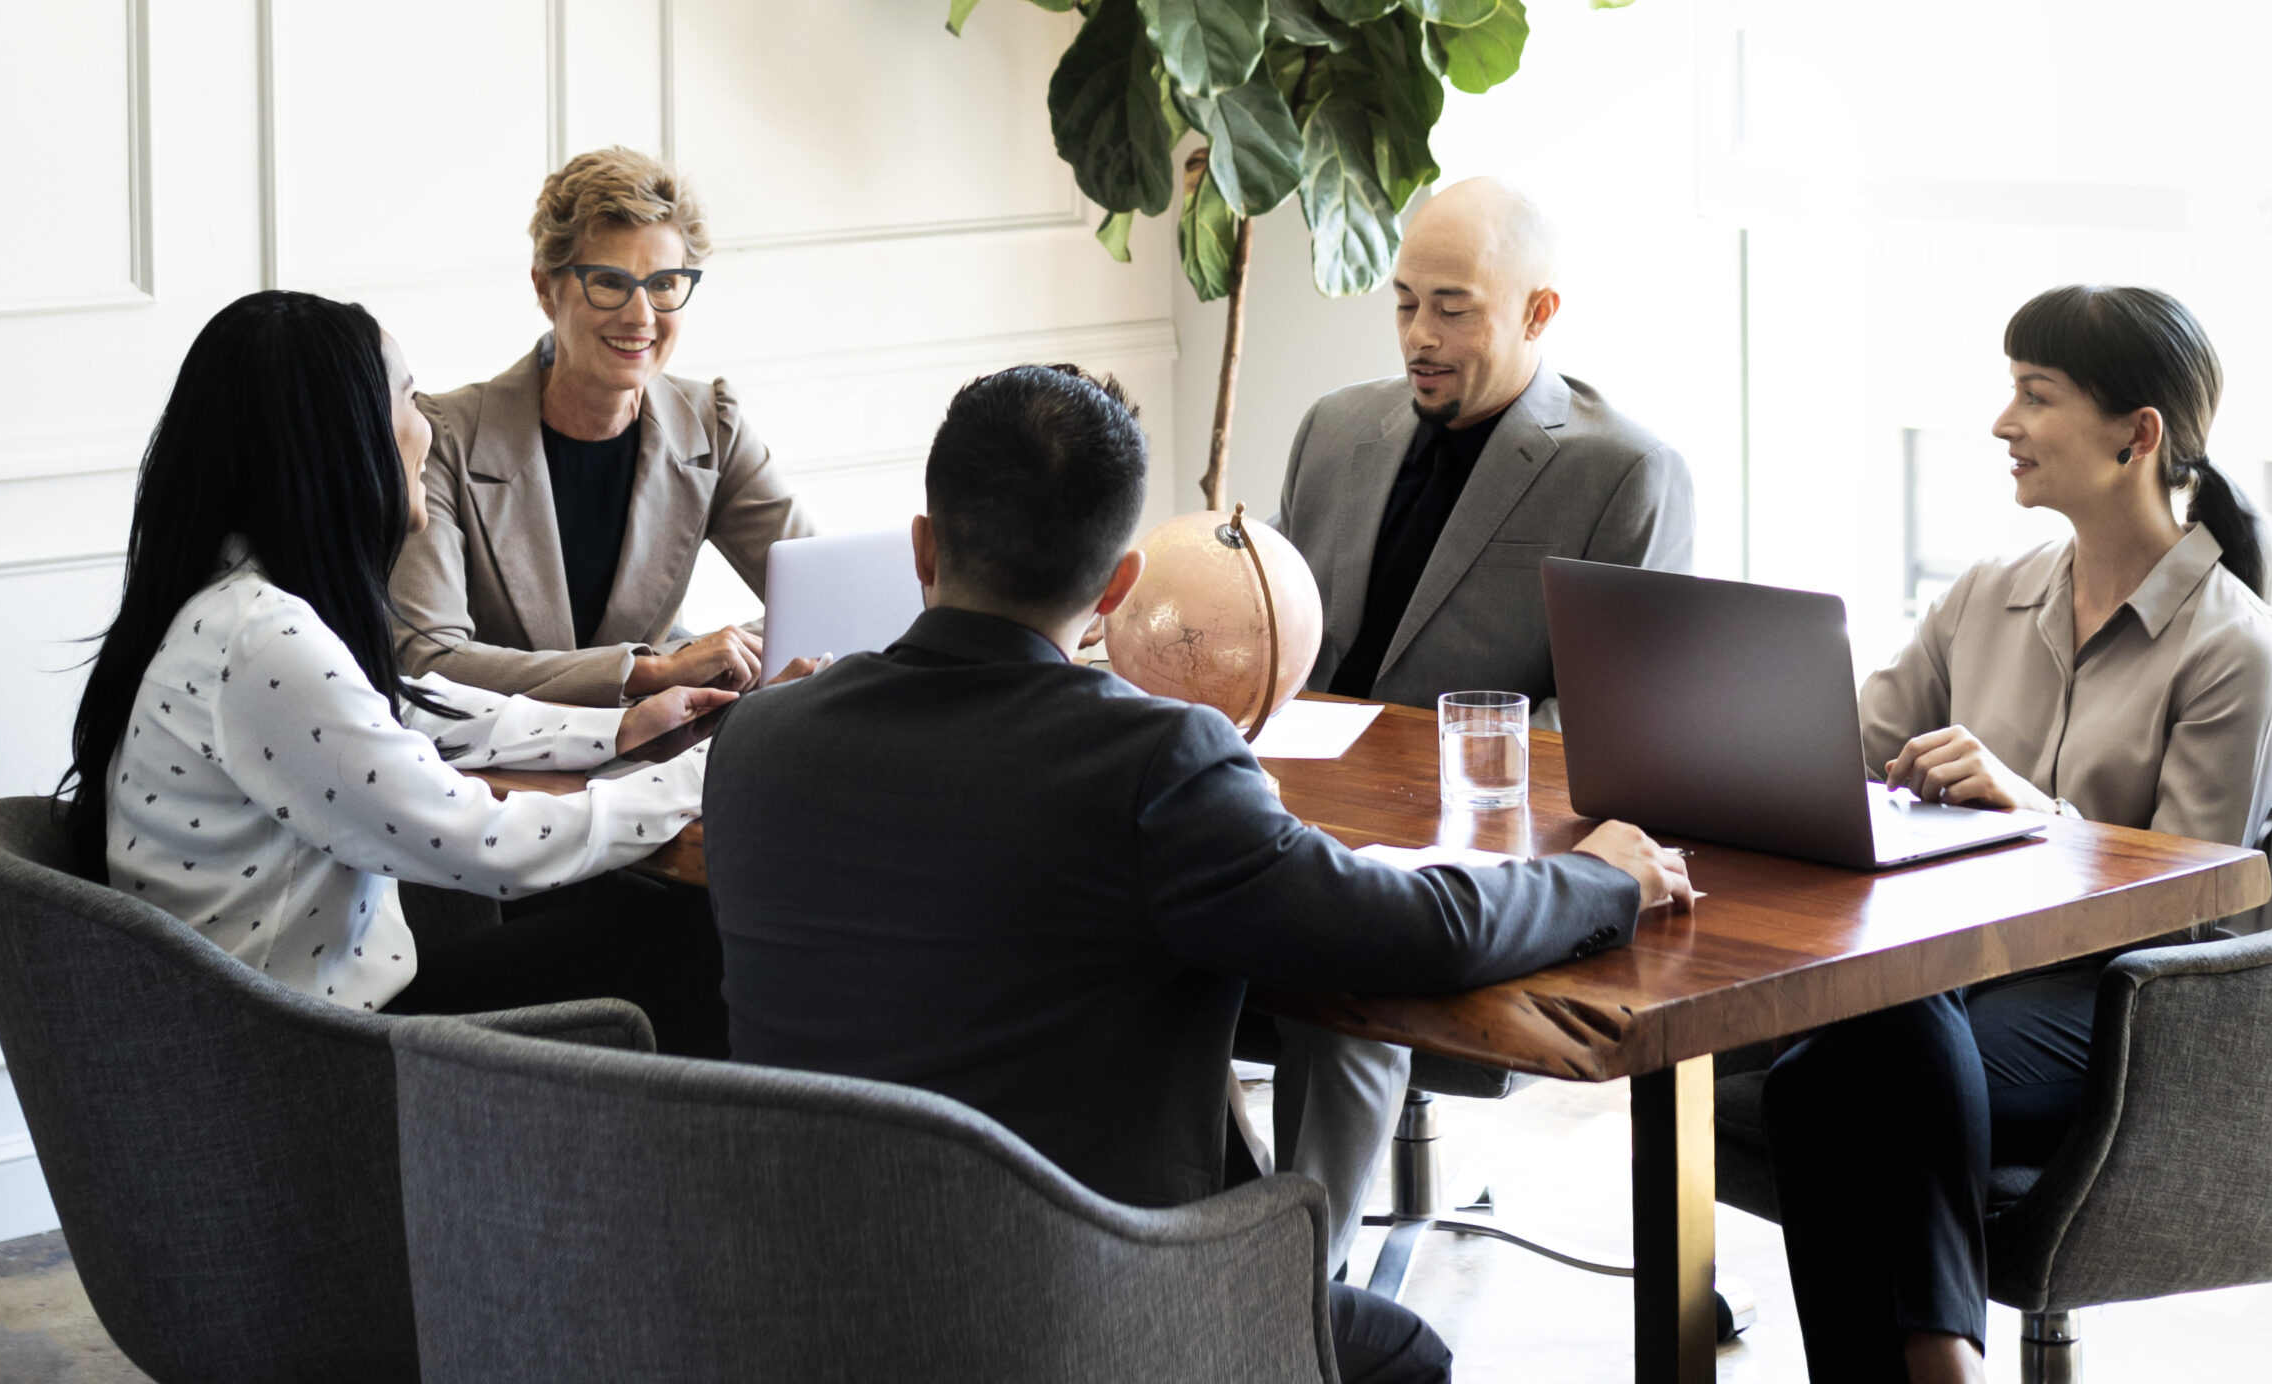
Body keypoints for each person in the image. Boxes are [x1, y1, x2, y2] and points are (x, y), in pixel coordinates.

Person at [703, 364, 1696, 1384]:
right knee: (1397, 1351)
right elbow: (1413, 930)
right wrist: (1601, 876)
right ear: (1120, 585)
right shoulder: (1150, 760)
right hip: (1077, 1312)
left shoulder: (758, 737)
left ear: (924, 545)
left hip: (801, 1302)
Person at [1763, 284, 2272, 1384]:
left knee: (1837, 1062)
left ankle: (1939, 1355)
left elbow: (2197, 894)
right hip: (1958, 982)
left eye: (2033, 395)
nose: (2002, 422)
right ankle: (1940, 1355)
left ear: (2134, 437)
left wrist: (2037, 815)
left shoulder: (2233, 650)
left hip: (2124, 998)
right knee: (1839, 1048)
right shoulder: (1984, 596)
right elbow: (1845, 752)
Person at [61, 292, 742, 1054]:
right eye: (410, 396)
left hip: (275, 1023)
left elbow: (412, 711)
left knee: (642, 918)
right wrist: (704, 774)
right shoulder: (261, 641)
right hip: (311, 1056)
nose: (429, 425)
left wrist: (622, 729)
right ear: (342, 439)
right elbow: (487, 843)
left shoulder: (234, 601)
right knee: (694, 931)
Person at [1269, 175, 1698, 1265]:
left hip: (1466, 845)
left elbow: (1615, 726)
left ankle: (1292, 1299)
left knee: (1345, 970)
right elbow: (1275, 637)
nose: (1419, 335)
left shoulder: (1623, 471)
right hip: (1283, 808)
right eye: (1404, 301)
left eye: (1453, 307)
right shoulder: (1334, 428)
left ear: (1538, 312)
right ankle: (1178, 1253)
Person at [390, 147, 816, 707]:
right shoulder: (445, 435)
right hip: (505, 772)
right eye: (610, 282)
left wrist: (718, 657)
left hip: (661, 761)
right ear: (546, 288)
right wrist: (651, 672)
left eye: (664, 283)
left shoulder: (712, 424)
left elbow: (821, 600)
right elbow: (430, 659)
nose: (642, 316)